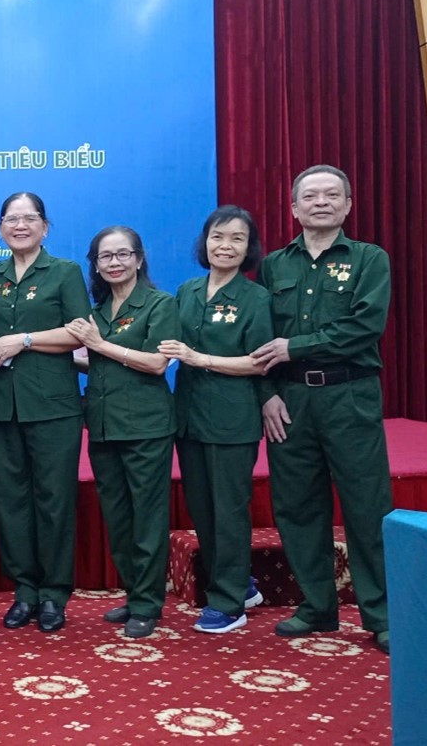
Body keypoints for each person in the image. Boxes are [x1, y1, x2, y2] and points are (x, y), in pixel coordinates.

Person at [250, 164, 393, 654]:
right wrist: (267, 393)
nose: (322, 202)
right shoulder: (274, 265)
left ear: (348, 205)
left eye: (333, 195)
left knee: (366, 505)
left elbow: (365, 326)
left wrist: (297, 347)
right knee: (297, 505)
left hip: (349, 395)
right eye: (310, 196)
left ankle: (382, 615)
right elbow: (260, 335)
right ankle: (317, 606)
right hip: (290, 399)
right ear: (294, 208)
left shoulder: (369, 259)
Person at [0, 193, 91, 633]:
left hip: (54, 406)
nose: (20, 225)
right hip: (2, 405)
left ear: (45, 226)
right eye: (11, 219)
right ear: (0, 227)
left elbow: (79, 333)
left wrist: (23, 340)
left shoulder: (64, 272)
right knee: (11, 501)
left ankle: (54, 594)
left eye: (29, 218)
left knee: (54, 499)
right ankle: (24, 591)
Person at [158, 207, 272, 634]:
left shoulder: (255, 298)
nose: (225, 246)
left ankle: (228, 603)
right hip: (188, 417)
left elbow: (259, 362)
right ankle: (241, 584)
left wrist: (199, 358)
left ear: (249, 247)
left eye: (237, 239)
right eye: (217, 237)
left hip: (232, 418)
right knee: (202, 508)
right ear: (204, 242)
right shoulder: (187, 291)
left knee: (229, 509)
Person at [67, 226, 177, 638]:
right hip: (102, 425)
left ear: (139, 258)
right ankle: (134, 593)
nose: (114, 263)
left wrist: (98, 345)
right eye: (105, 257)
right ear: (95, 265)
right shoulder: (97, 312)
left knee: (147, 518)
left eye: (122, 254)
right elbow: (98, 361)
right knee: (118, 517)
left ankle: (148, 604)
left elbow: (156, 363)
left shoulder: (160, 303)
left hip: (146, 426)